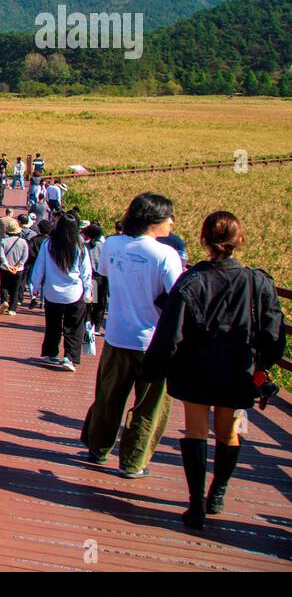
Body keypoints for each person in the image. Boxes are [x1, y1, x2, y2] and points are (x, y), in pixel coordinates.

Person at [144, 212, 286, 530]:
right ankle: (217, 494)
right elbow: (273, 332)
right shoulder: (257, 281)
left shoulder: (191, 281)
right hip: (237, 370)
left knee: (196, 432)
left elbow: (171, 333)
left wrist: (153, 367)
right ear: (239, 240)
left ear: (204, 240)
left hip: (196, 369)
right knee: (228, 433)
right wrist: (262, 366)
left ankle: (195, 506)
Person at [80, 193, 183, 478]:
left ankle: (98, 448)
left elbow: (103, 276)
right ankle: (134, 462)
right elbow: (177, 297)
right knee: (150, 405)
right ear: (154, 221)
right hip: (154, 341)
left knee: (109, 395)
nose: (172, 223)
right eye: (168, 217)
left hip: (117, 334)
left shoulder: (112, 244)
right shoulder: (166, 255)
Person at [30, 210, 92, 371]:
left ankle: (51, 352)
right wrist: (88, 291)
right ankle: (69, 358)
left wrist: (35, 287)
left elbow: (39, 267)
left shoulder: (48, 244)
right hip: (74, 292)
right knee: (73, 327)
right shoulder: (80, 246)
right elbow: (86, 272)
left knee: (53, 324)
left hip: (52, 292)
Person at [0, 217, 29, 316]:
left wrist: (7, 265)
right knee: (15, 288)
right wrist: (18, 266)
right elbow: (25, 256)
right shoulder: (23, 242)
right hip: (18, 269)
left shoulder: (3, 241)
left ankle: (4, 301)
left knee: (4, 285)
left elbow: (2, 256)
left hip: (5, 268)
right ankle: (12, 309)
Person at [83, 222, 108, 335]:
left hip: (89, 277)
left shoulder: (85, 246)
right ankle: (96, 326)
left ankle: (87, 322)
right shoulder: (104, 246)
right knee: (100, 304)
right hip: (101, 277)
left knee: (89, 301)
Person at [24, 218, 51, 308]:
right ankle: (42, 302)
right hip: (47, 264)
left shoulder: (34, 239)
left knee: (31, 280)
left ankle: (33, 297)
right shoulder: (50, 241)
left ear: (39, 229)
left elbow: (30, 251)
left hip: (34, 262)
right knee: (44, 283)